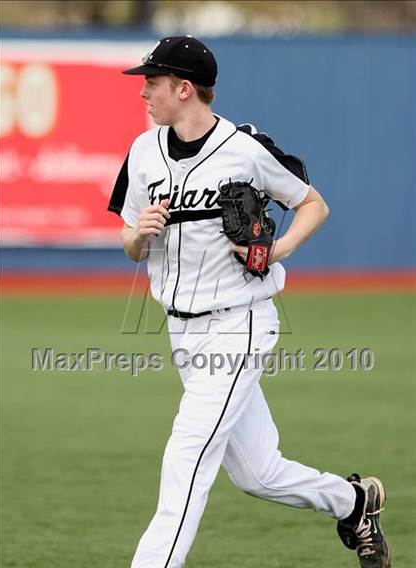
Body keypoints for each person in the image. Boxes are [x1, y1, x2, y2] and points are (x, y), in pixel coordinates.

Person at [108, 35, 391, 568]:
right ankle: (355, 503)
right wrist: (138, 234)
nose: (143, 92)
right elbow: (129, 246)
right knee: (259, 473)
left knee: (186, 456)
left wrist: (276, 248)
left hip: (239, 324)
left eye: (152, 82)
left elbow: (312, 204)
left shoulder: (244, 148)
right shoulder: (144, 151)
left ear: (184, 89)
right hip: (181, 331)